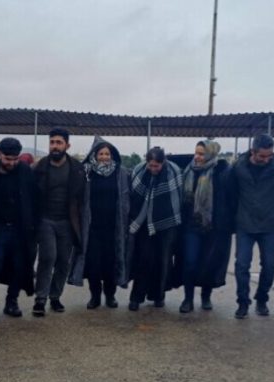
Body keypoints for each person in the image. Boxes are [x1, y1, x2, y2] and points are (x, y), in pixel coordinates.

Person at [229, 134, 274, 319]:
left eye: (269, 155)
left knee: (269, 265)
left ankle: (262, 299)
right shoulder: (238, 167)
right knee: (241, 265)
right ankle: (242, 302)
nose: (266, 159)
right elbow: (232, 194)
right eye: (262, 156)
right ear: (252, 152)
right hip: (245, 223)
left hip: (269, 223)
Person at [0, 137, 38, 321]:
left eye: (15, 159)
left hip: (20, 229)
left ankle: (12, 302)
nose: (11, 163)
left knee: (19, 267)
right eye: (7, 159)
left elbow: (35, 198)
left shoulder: (25, 171)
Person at [68, 136, 131, 310]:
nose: (104, 157)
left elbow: (127, 198)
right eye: (101, 154)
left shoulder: (121, 173)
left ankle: (110, 296)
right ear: (94, 155)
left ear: (112, 155)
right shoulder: (87, 172)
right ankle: (95, 296)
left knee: (111, 263)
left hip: (113, 228)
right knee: (94, 264)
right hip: (92, 228)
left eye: (107, 154)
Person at [172, 140, 233, 313]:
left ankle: (206, 296)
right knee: (189, 262)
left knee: (209, 262)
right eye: (196, 153)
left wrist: (226, 224)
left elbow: (230, 199)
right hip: (191, 226)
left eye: (201, 154)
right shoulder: (187, 171)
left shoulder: (222, 172)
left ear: (211, 154)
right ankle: (188, 299)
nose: (197, 157)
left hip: (213, 227)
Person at [32, 128, 85, 316]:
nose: (55, 146)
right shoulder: (39, 167)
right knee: (48, 257)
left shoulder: (77, 168)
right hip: (45, 220)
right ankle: (40, 299)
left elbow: (82, 198)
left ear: (67, 145)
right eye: (52, 142)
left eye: (59, 143)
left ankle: (55, 297)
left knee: (63, 261)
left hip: (68, 222)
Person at [127, 147, 182, 311]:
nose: (153, 169)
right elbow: (132, 196)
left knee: (163, 260)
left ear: (163, 162)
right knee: (143, 259)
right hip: (143, 223)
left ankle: (158, 295)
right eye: (150, 165)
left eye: (156, 166)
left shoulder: (174, 172)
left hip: (167, 223)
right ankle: (136, 297)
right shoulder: (138, 171)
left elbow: (178, 199)